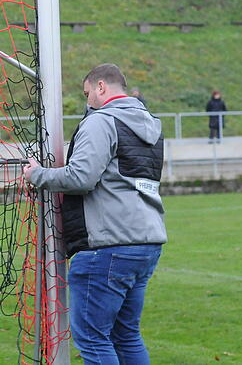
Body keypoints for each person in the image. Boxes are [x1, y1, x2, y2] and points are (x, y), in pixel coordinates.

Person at [23, 63, 166, 365]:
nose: (87, 101)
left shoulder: (102, 121)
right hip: (146, 241)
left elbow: (81, 177)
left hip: (108, 245)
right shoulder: (151, 124)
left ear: (101, 87)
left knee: (92, 338)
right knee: (126, 336)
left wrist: (37, 175)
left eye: (87, 93)